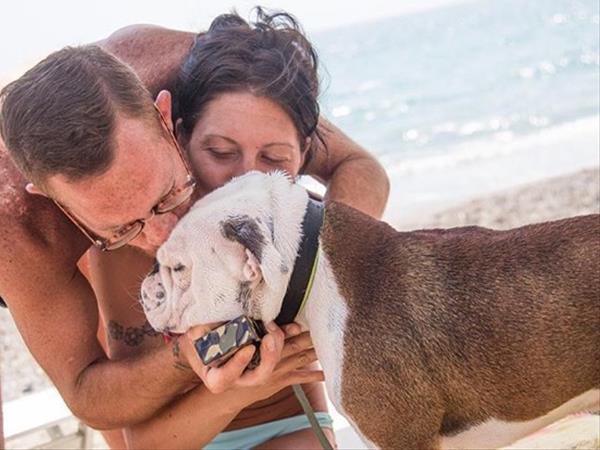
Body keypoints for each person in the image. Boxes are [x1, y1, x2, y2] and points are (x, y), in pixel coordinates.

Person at [0, 10, 389, 450]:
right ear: (53, 200)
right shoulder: (20, 231)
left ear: (166, 118)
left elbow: (356, 166)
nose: (166, 235)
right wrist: (188, 354)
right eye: (127, 226)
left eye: (169, 194)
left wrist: (308, 277)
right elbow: (88, 392)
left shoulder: (201, 74)